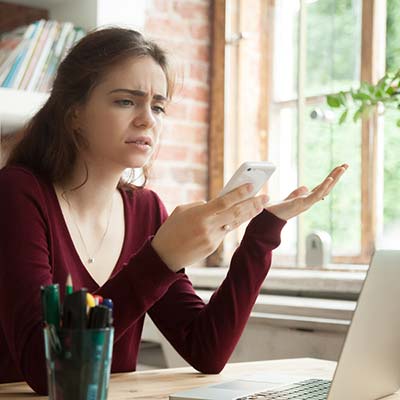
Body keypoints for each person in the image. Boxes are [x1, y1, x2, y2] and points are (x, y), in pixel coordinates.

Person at [0, 27, 347, 395]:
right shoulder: (17, 194)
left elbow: (205, 349)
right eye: (125, 101)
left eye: (159, 106)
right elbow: (47, 370)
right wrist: (161, 258)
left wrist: (263, 233)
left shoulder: (146, 209)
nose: (148, 119)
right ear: (74, 114)